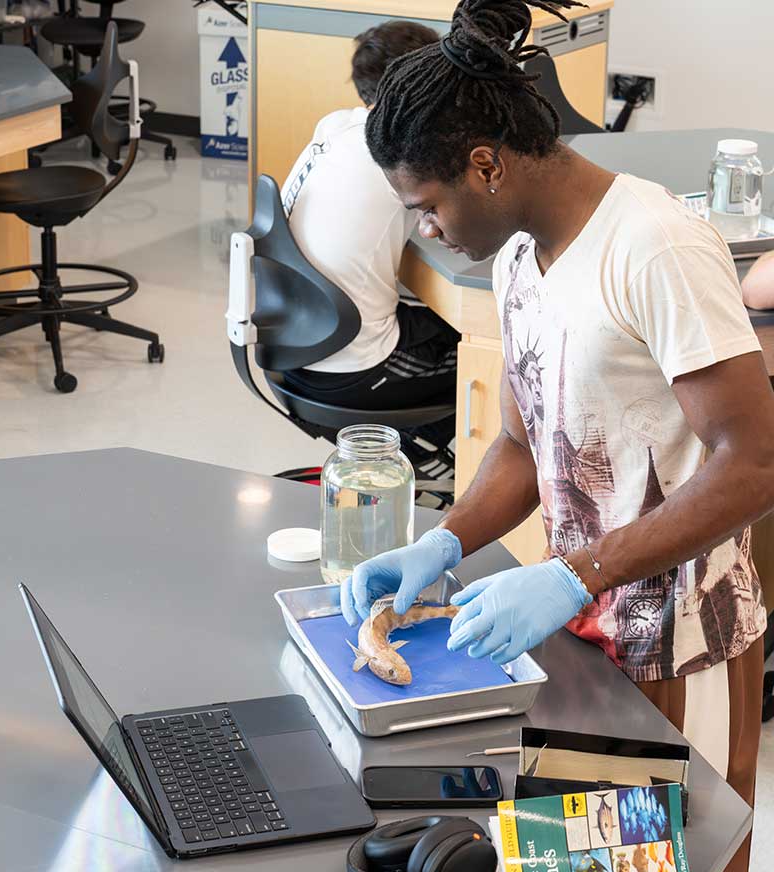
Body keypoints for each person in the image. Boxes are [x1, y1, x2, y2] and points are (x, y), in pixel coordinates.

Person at [341, 2, 774, 870]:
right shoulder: (518, 256)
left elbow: (755, 465)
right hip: (580, 628)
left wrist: (575, 574)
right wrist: (445, 541)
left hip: (678, 638)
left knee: (675, 859)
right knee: (576, 859)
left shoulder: (654, 248)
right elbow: (521, 443)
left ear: (485, 165)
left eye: (426, 206)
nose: (425, 230)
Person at [280, 21, 460, 415]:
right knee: (497, 353)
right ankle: (416, 450)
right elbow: (461, 231)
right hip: (354, 370)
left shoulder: (334, 125)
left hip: (290, 349)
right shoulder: (401, 152)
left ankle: (409, 447)